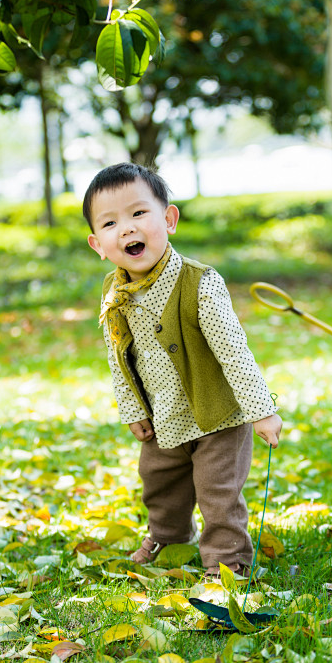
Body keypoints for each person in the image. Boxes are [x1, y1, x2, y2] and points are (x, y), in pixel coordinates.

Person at [84, 162, 282, 578]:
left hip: (219, 417)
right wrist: (133, 409)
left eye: (139, 213)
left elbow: (234, 351)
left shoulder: (201, 284)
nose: (127, 229)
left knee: (218, 492)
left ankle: (226, 563)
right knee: (159, 482)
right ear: (97, 244)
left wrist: (260, 410)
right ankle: (170, 538)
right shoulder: (114, 292)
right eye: (110, 222)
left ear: (168, 219)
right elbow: (118, 356)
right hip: (164, 414)